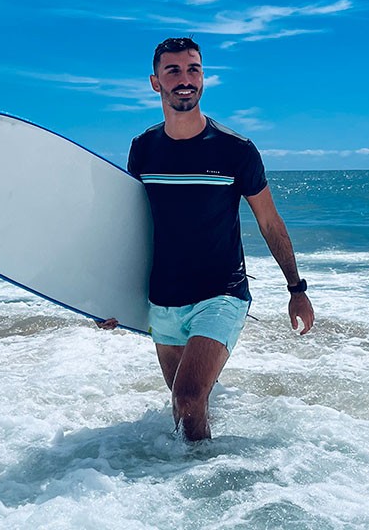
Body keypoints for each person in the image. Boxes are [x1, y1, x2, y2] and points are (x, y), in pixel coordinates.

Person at [98, 37, 314, 441]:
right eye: (173, 71)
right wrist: (110, 298)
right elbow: (132, 228)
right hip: (164, 298)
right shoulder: (143, 149)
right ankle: (185, 480)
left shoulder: (235, 150)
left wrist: (296, 289)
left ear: (204, 78)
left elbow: (269, 221)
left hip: (222, 294)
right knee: (186, 411)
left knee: (187, 399)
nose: (185, 79)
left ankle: (204, 491)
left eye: (193, 69)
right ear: (155, 82)